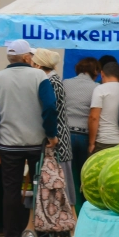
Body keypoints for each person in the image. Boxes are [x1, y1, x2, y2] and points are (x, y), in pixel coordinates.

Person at [0, 39, 57, 237]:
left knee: (11, 191)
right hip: (36, 143)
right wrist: (51, 134)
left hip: (8, 145)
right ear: (26, 57)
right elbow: (50, 106)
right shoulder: (39, 76)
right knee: (41, 188)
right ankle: (42, 236)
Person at [32, 49, 74, 209]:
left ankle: (69, 223)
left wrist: (51, 136)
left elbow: (51, 111)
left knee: (60, 184)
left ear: (38, 65)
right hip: (57, 138)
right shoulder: (53, 81)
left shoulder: (51, 83)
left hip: (57, 141)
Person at [63, 57, 98, 209]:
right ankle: (85, 210)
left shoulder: (65, 83)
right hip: (84, 136)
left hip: (66, 136)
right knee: (84, 176)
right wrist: (92, 142)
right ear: (95, 71)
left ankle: (71, 212)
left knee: (68, 177)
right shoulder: (96, 87)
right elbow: (94, 115)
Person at [88, 61, 119, 154]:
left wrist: (91, 143)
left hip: (103, 142)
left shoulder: (100, 89)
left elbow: (94, 118)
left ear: (102, 74)